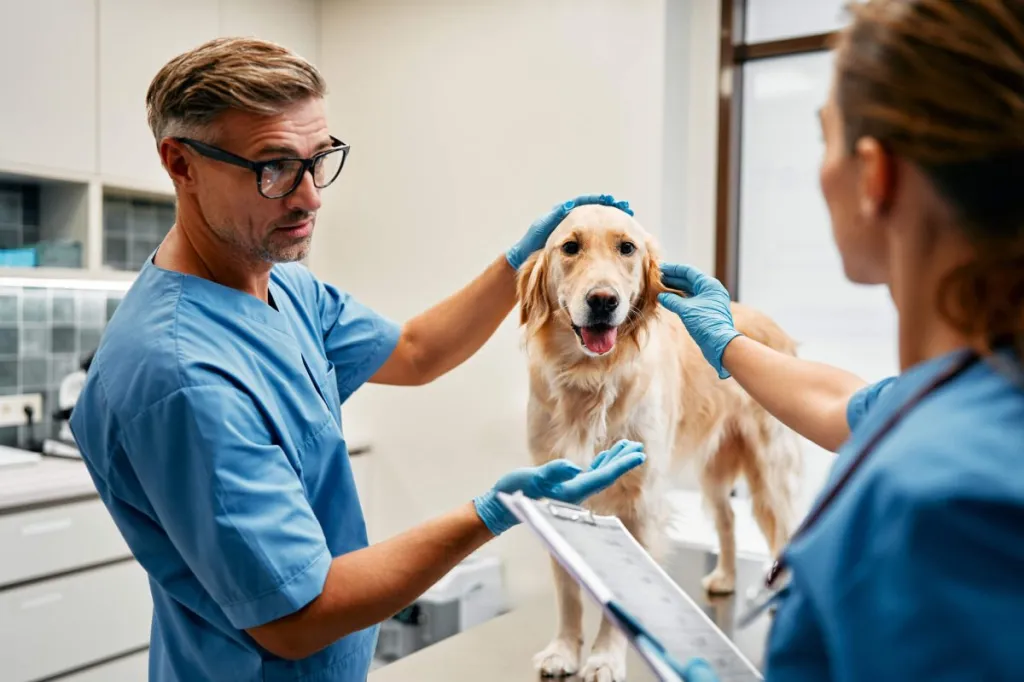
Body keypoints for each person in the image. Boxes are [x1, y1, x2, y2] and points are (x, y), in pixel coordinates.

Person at [69, 37, 646, 682]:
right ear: (181, 164)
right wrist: (491, 513)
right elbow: (298, 618)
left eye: (320, 160)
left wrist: (524, 257)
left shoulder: (278, 283)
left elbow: (417, 352)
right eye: (275, 167)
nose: (310, 196)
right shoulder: (180, 376)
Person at [657, 1, 1024, 680]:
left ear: (874, 176)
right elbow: (851, 405)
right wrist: (725, 342)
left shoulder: (936, 508)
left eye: (823, 138)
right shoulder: (978, 385)